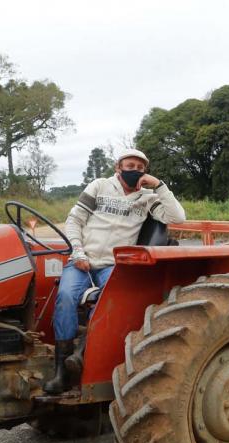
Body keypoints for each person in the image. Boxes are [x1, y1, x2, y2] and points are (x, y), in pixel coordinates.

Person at [44, 148, 186, 393]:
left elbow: (178, 217)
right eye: (129, 166)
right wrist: (77, 251)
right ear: (118, 167)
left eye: (140, 168)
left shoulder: (148, 199)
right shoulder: (99, 186)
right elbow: (74, 220)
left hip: (114, 264)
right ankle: (61, 372)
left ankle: (81, 354)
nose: (134, 171)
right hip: (83, 260)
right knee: (66, 297)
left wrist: (159, 186)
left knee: (108, 303)